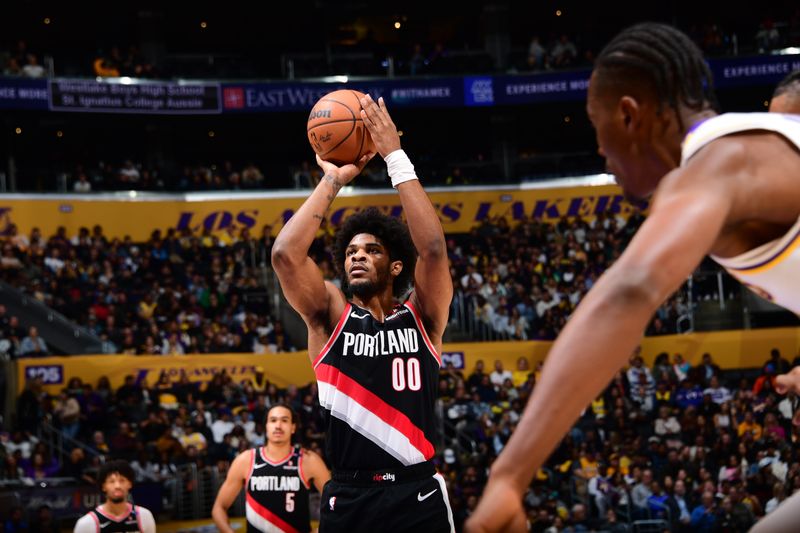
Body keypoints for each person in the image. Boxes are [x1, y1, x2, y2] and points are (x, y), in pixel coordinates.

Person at [465, 22, 800, 532]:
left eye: (595, 128)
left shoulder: (718, 165)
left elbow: (630, 291)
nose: (600, 151)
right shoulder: (754, 152)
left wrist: (509, 476)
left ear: (629, 114)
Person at [271, 94, 454, 532]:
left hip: (418, 492)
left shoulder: (422, 317)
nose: (357, 256)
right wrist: (332, 180)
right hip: (349, 497)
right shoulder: (329, 316)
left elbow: (432, 249)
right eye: (351, 250)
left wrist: (394, 156)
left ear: (394, 266)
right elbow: (284, 255)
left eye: (371, 250)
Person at [212, 404, 330, 533]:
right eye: (273, 420)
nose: (278, 425)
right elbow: (219, 508)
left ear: (293, 427)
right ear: (266, 427)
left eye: (284, 420)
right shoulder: (246, 460)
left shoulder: (308, 460)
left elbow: (335, 503)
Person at [73, 460, 156, 532]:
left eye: (122, 480)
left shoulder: (143, 516)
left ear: (130, 484)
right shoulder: (86, 523)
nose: (117, 486)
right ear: (103, 486)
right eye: (112, 481)